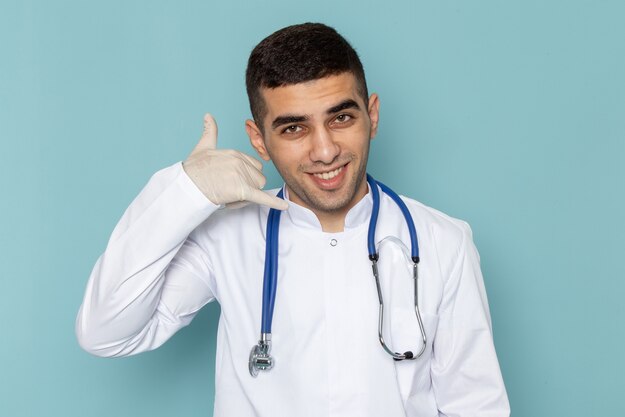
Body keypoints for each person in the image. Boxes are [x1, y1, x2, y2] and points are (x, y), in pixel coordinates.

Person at [76, 22, 510, 416]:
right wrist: (185, 192)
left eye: (341, 117)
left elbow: (476, 407)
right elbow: (105, 332)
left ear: (372, 115)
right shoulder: (224, 237)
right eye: (293, 128)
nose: (325, 151)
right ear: (258, 141)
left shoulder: (442, 242)